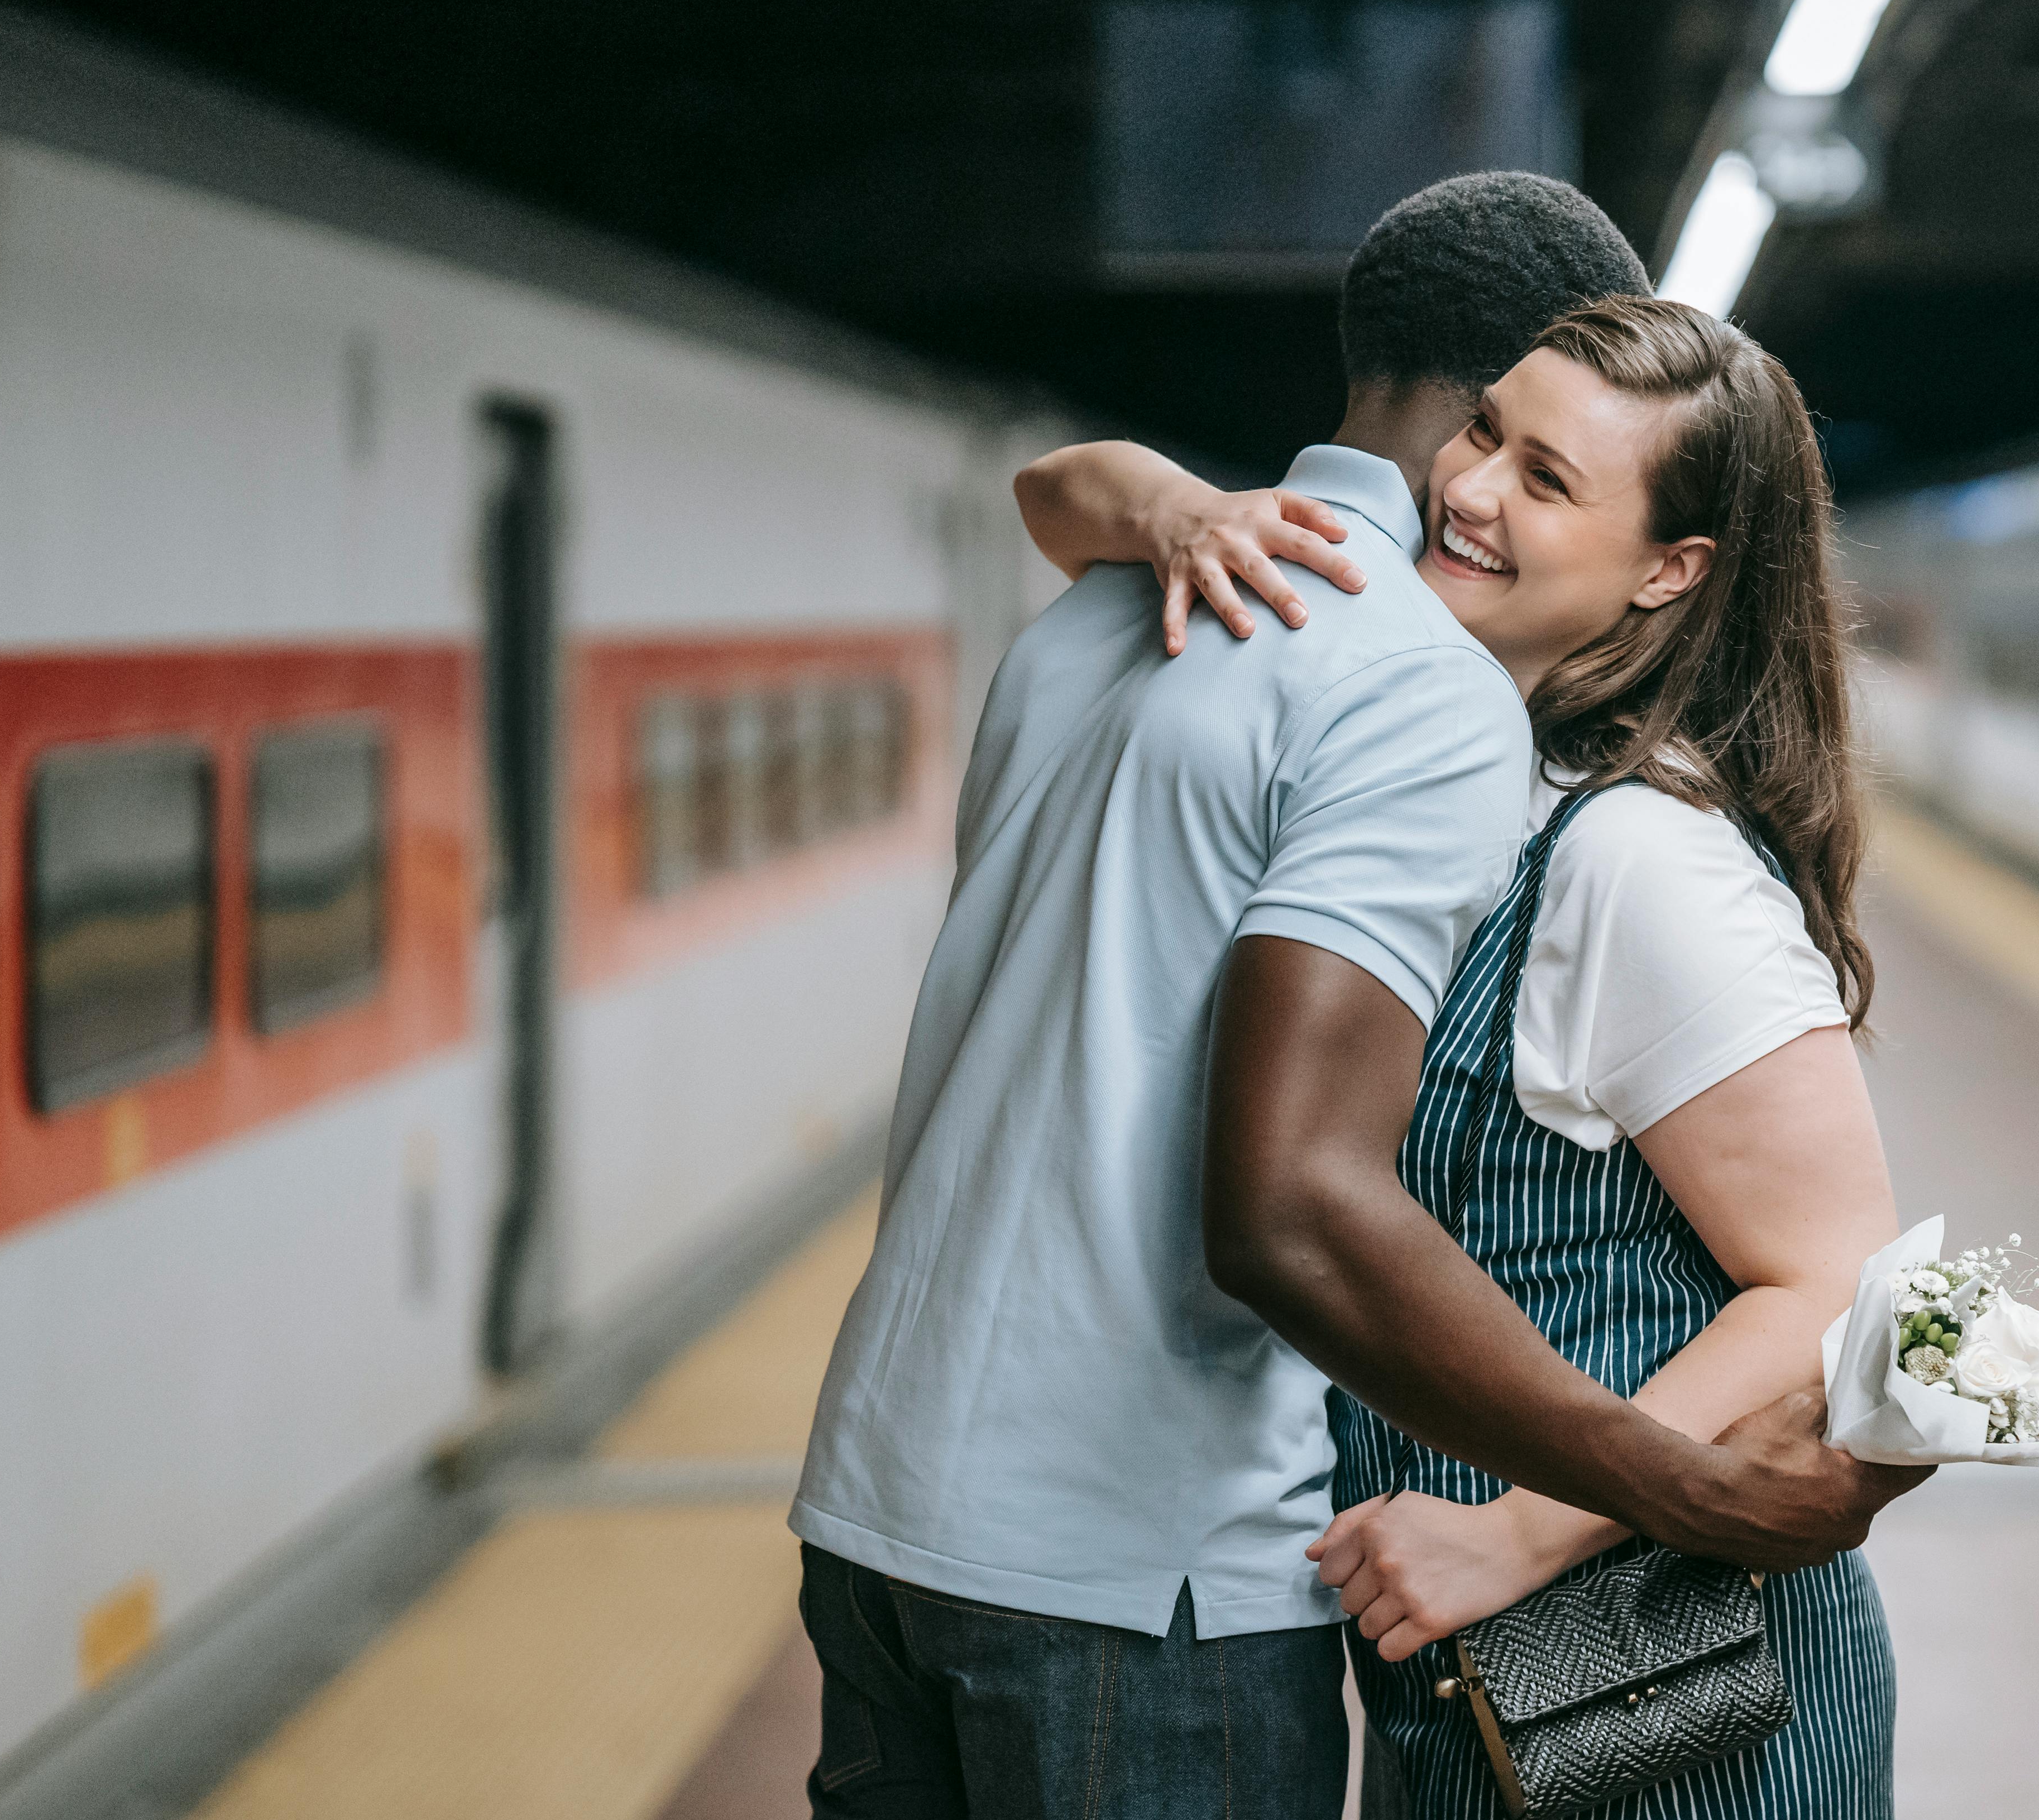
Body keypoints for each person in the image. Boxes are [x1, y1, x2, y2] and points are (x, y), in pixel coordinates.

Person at [791, 175, 1916, 1820]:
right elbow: (1295, 1208)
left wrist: (1530, 1519)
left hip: (919, 1515)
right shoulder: (1410, 689)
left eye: (1550, 473)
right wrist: (1670, 1484)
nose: (1482, 489)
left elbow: (1832, 1263)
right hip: (1164, 1569)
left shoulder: (1108, 609)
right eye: (1501, 439)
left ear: (1669, 568)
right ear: (1489, 387)